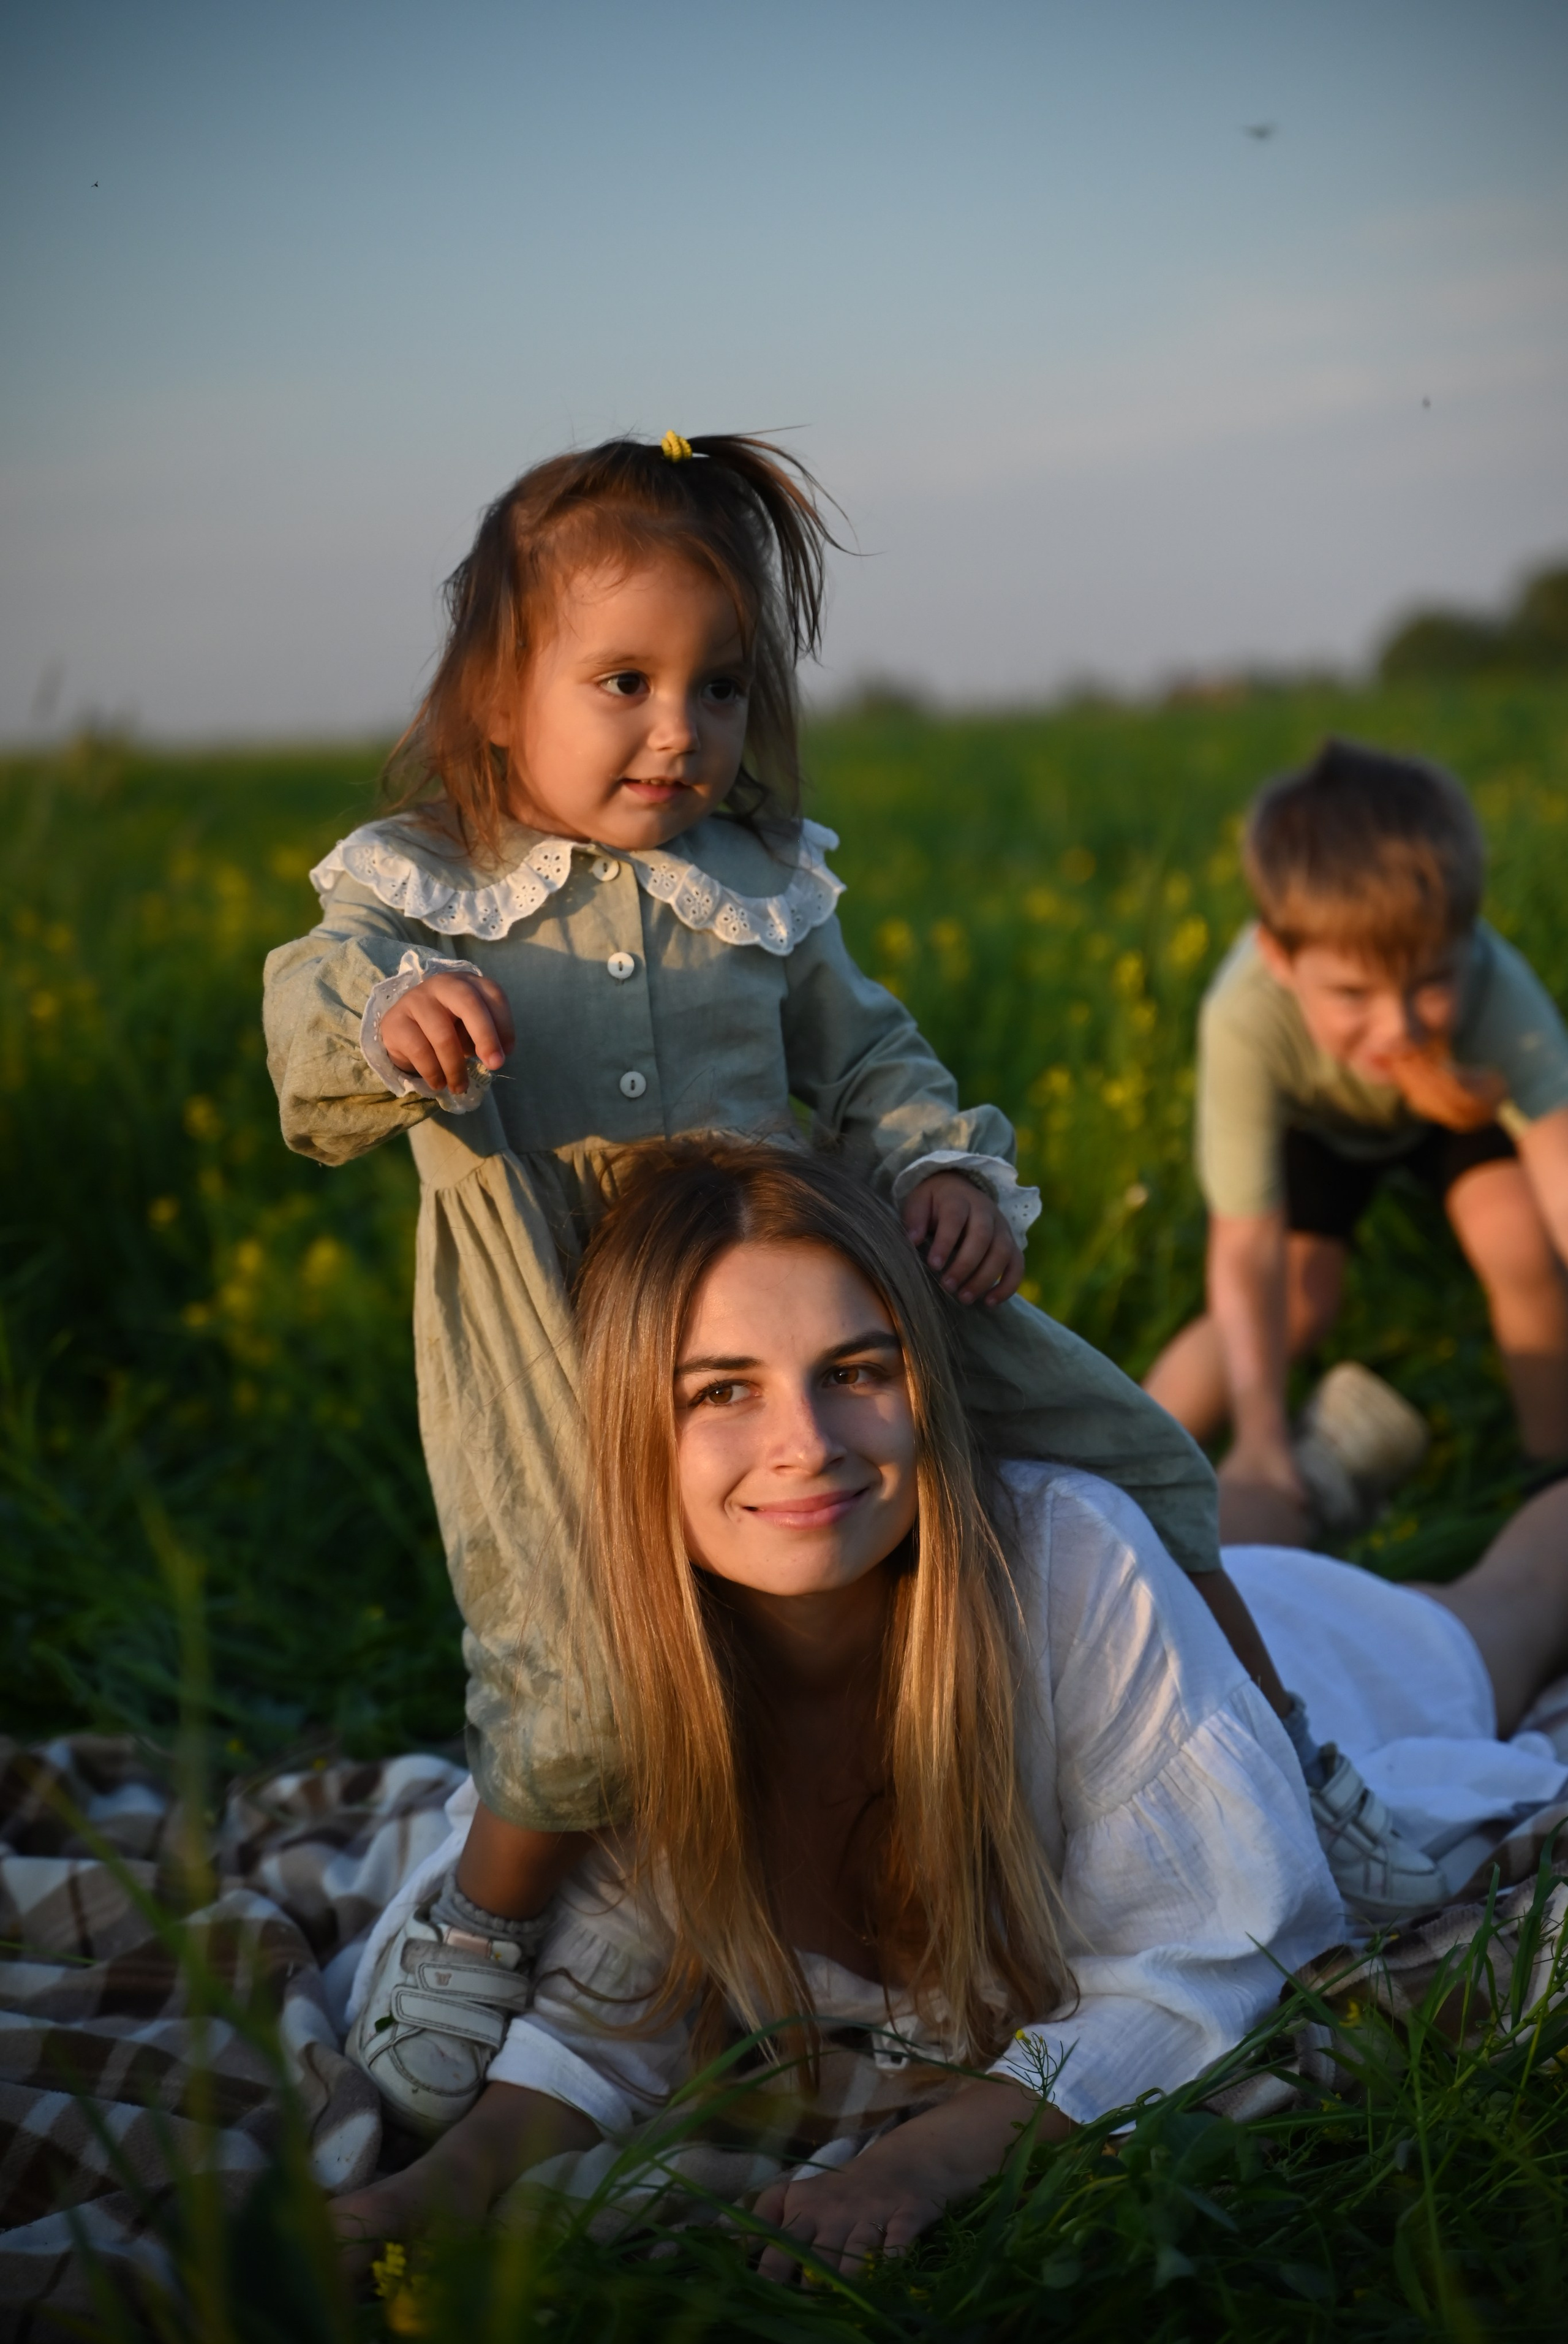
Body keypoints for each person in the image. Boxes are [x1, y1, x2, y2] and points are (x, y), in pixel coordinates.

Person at [265, 434, 1394, 2129]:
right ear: (497, 697)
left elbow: (872, 1061)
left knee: (1143, 1454)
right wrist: (387, 1026)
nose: (680, 730)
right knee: (578, 1669)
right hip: (561, 1316)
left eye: (719, 688)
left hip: (793, 1282)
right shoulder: (421, 893)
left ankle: (1287, 1766)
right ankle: (495, 1927)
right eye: (625, 681)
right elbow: (308, 1028)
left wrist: (943, 1170)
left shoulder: (761, 892)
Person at [333, 1140, 1568, 2278]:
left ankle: (1329, 1472)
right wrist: (444, 2183)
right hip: (1151, 1605)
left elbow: (1209, 1951)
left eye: (853, 1372)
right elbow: (601, 2020)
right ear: (629, 1425)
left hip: (1253, 1660)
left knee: (1494, 1615)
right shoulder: (629, 1668)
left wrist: (915, 2161)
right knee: (1226, 1533)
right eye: (721, 1392)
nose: (805, 1443)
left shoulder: (1067, 1562)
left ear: (920, 1382)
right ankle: (1321, 1459)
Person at [1145, 738, 1568, 1546]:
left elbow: (1561, 1174)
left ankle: (1551, 1472)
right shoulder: (1246, 1016)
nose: (1397, 1024)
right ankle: (1134, 1445)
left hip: (1450, 1103)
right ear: (1280, 956)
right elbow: (1245, 1249)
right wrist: (1263, 1438)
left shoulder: (1497, 993)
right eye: (1352, 993)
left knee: (1517, 1241)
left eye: (1431, 982)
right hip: (1320, 1125)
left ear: (1469, 937)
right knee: (1299, 1300)